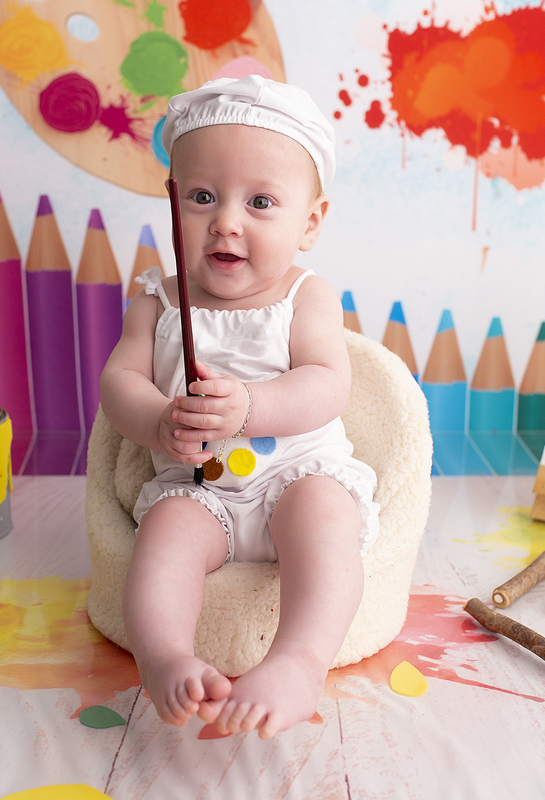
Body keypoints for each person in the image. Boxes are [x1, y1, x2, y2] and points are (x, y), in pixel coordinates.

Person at [100, 75, 379, 739]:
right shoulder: (158, 300)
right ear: (172, 206)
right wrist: (158, 421)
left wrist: (251, 404)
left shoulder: (305, 296)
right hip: (202, 491)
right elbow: (120, 382)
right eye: (202, 197)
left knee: (326, 521)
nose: (226, 221)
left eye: (260, 202)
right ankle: (165, 655)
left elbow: (327, 383)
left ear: (309, 222)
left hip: (295, 477)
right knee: (164, 539)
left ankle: (298, 660)